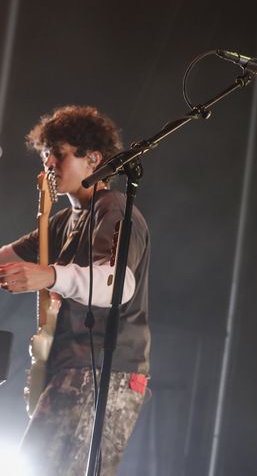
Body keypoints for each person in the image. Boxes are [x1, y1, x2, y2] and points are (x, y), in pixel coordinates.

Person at [0, 105, 151, 476]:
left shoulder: (113, 207)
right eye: (44, 154)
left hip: (104, 370)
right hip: (70, 366)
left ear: (93, 159)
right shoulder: (63, 221)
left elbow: (119, 284)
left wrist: (50, 275)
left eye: (59, 153)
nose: (48, 162)